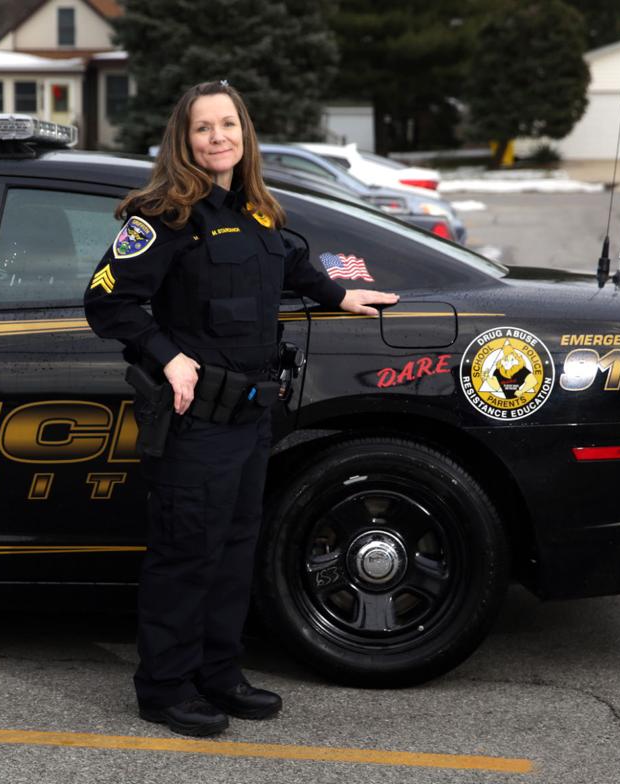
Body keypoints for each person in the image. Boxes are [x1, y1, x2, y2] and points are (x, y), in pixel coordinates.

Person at [83, 81, 399, 737]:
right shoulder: (166, 217)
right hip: (196, 418)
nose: (218, 136)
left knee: (233, 551)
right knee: (186, 553)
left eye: (229, 124)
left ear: (244, 135)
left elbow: (294, 270)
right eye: (203, 127)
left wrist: (343, 297)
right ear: (184, 139)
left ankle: (219, 674)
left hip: (253, 413)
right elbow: (106, 301)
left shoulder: (259, 214)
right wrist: (165, 354)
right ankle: (164, 687)